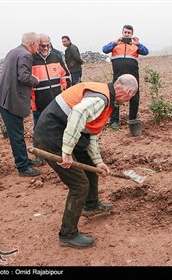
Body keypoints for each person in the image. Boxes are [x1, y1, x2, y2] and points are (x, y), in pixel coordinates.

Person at [33, 74, 138, 248]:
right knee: (79, 185)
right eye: (131, 97)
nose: (128, 100)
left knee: (89, 165)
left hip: (63, 131)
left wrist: (97, 162)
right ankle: (68, 234)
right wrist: (66, 151)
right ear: (128, 92)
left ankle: (91, 205)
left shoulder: (105, 96)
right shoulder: (101, 98)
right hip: (51, 136)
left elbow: (91, 133)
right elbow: (78, 112)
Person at [0, 32, 42, 177]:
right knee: (17, 135)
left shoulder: (13, 51)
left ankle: (24, 160)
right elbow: (24, 77)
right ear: (32, 43)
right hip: (11, 101)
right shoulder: (26, 55)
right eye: (38, 44)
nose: (38, 48)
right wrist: (35, 80)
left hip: (5, 98)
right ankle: (23, 167)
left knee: (17, 134)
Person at [31, 34, 71, 165]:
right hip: (38, 100)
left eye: (48, 45)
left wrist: (65, 92)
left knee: (60, 125)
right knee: (38, 128)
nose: (45, 48)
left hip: (56, 100)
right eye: (42, 45)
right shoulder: (31, 58)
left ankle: (60, 152)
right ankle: (39, 155)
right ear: (37, 44)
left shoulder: (56, 55)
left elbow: (65, 75)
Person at [102, 25, 149, 130]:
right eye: (125, 32)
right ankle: (114, 121)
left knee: (134, 97)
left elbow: (146, 52)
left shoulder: (135, 46)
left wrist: (139, 44)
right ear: (122, 33)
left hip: (133, 77)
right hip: (118, 76)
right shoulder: (115, 45)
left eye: (129, 33)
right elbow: (104, 49)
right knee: (114, 96)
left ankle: (132, 119)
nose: (126, 34)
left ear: (132, 34)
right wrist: (114, 42)